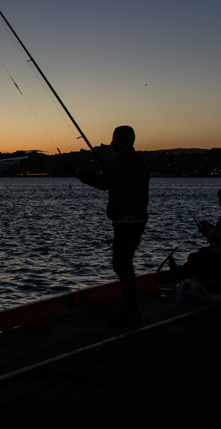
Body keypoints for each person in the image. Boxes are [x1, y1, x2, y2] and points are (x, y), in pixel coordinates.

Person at [68, 125, 150, 327]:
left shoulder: (124, 162)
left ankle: (131, 309)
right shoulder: (137, 161)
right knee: (124, 264)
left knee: (121, 264)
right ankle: (131, 308)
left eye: (114, 138)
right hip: (137, 218)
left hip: (126, 220)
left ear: (123, 140)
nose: (111, 142)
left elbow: (104, 182)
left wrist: (78, 172)